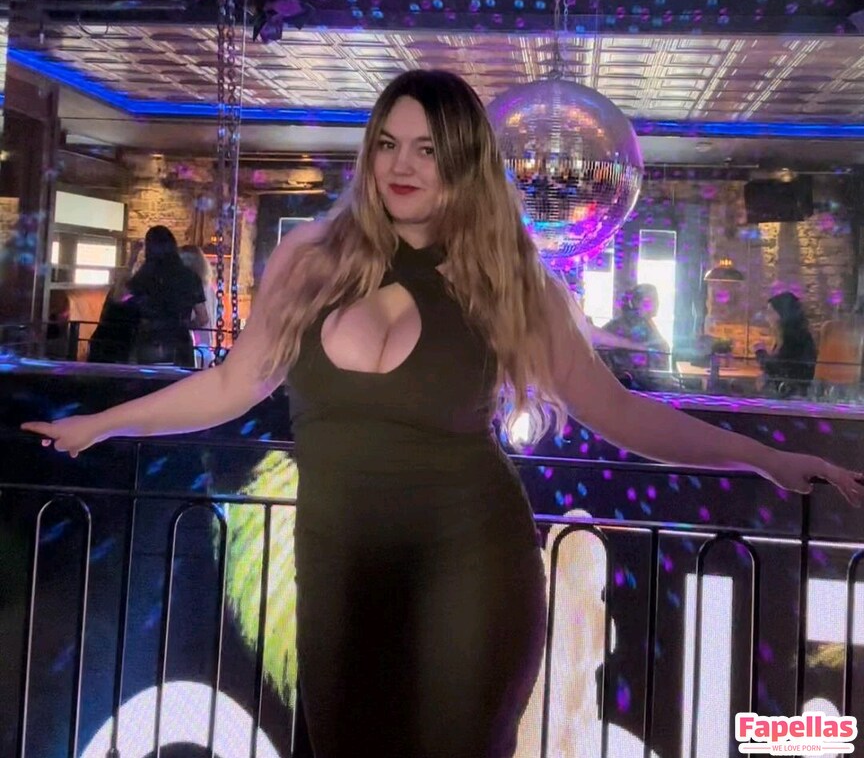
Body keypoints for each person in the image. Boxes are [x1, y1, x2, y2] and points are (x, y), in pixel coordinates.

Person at [22, 70, 862, 758]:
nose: (402, 165)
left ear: (462, 162)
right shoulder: (310, 259)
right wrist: (102, 424)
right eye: (388, 143)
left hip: (471, 571)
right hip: (340, 573)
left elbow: (620, 413)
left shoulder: (508, 280)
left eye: (427, 148)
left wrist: (765, 457)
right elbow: (231, 385)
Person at [125, 226, 208, 368]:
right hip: (179, 342)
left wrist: (132, 260)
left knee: (147, 380)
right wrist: (187, 325)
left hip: (149, 340)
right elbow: (203, 318)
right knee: (180, 381)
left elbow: (122, 296)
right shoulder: (190, 277)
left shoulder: (144, 276)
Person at [599, 283, 673, 389]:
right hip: (633, 388)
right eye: (650, 300)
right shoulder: (625, 325)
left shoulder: (646, 322)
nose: (656, 304)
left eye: (657, 300)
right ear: (636, 303)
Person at [755, 291, 817, 397]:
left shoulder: (796, 339)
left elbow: (780, 368)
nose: (767, 317)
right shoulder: (784, 337)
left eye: (770, 312)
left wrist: (760, 353)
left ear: (782, 314)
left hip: (792, 397)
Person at [179, 244, 217, 365]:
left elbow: (203, 318)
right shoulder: (210, 289)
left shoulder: (193, 289)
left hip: (196, 349)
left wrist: (184, 325)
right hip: (207, 348)